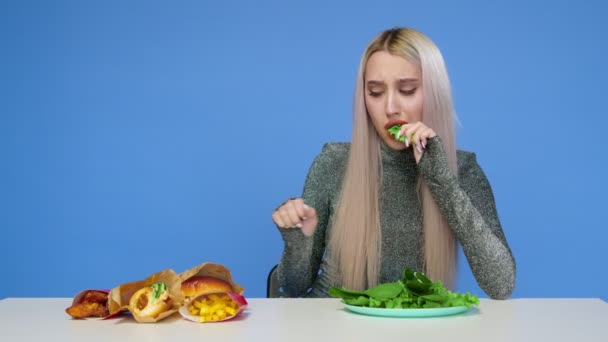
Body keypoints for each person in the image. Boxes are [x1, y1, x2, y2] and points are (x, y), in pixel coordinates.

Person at [271, 27, 515, 299]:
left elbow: (501, 284)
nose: (390, 108)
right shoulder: (333, 162)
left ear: (434, 94)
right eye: (375, 92)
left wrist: (442, 182)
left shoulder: (463, 170)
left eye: (407, 90)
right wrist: (298, 241)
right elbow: (292, 289)